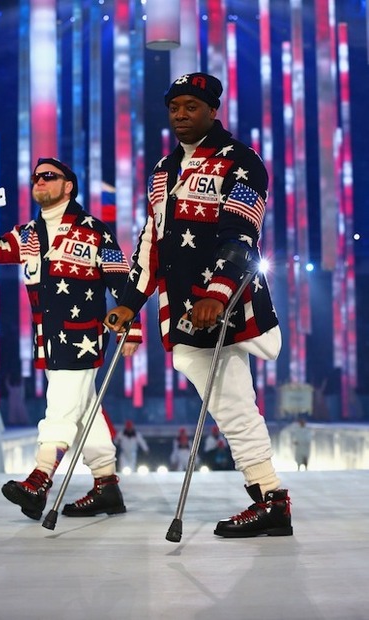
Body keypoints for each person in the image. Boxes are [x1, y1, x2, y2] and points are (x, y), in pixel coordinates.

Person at [104, 73, 292, 538]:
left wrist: (216, 293)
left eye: (191, 107)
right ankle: (269, 498)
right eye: (174, 108)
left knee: (231, 404)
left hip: (226, 306)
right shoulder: (164, 171)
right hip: (184, 310)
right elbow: (152, 242)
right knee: (225, 399)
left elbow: (242, 234)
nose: (181, 116)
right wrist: (129, 303)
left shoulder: (241, 161)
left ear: (213, 110)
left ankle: (271, 498)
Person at [0, 157, 141, 520]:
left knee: (60, 407)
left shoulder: (94, 230)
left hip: (82, 338)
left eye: (49, 176)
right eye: (36, 177)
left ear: (68, 186)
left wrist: (132, 329)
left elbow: (123, 281)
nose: (39, 181)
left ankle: (40, 478)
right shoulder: (28, 233)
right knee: (85, 413)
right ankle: (107, 486)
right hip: (46, 341)